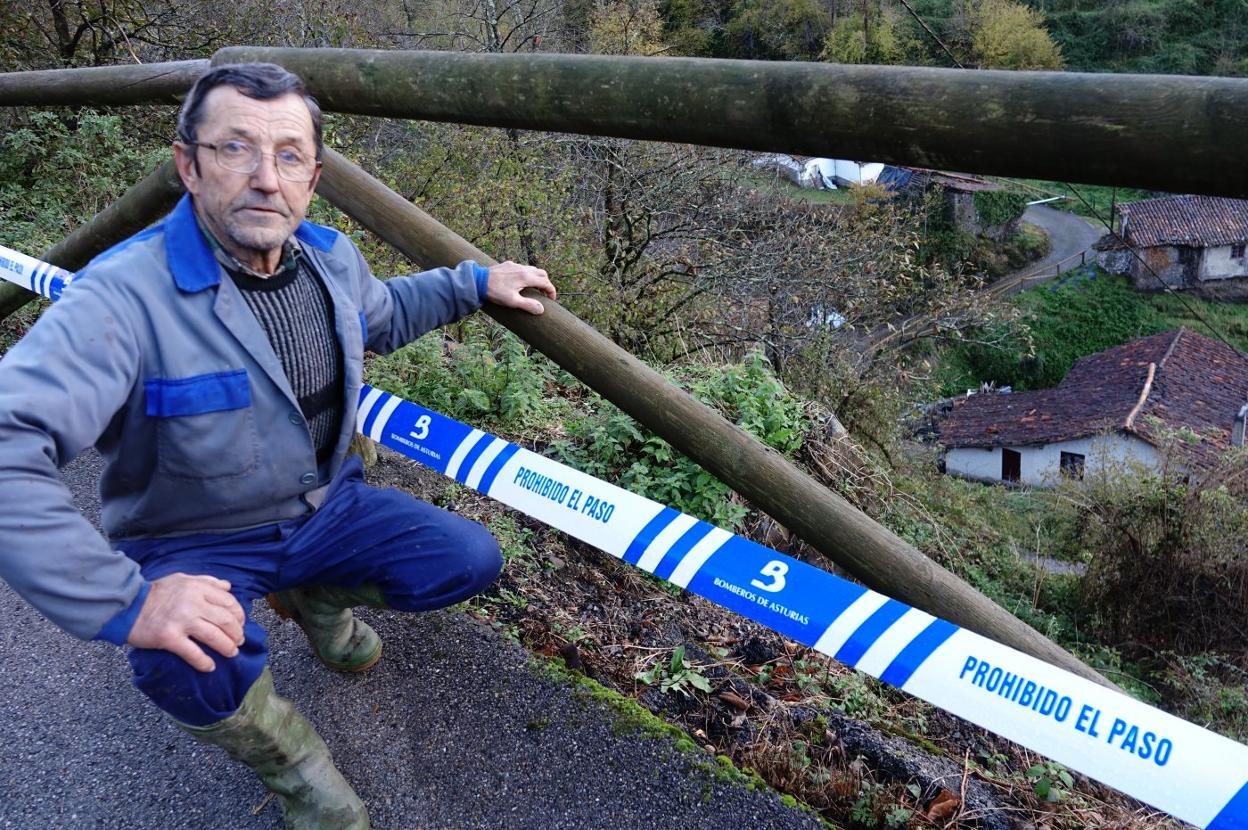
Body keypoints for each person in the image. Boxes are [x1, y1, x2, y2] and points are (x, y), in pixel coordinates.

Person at [0, 63, 556, 830]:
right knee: (181, 662)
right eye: (236, 149)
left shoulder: (328, 260)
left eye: (289, 155)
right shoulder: (120, 298)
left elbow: (383, 314)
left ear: (313, 177)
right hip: (192, 538)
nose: (266, 178)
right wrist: (127, 600)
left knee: (467, 560)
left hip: (327, 504)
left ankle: (314, 594)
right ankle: (293, 768)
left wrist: (472, 282)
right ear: (188, 166)